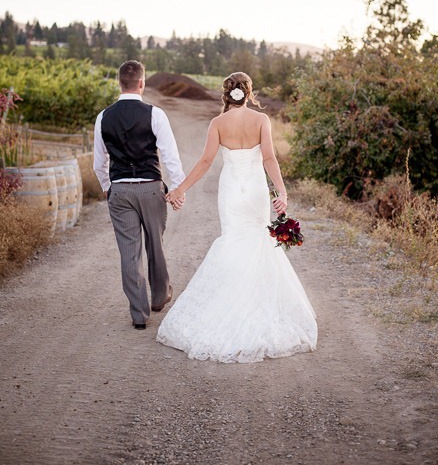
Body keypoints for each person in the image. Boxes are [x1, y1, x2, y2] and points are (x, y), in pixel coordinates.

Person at [156, 72, 317, 363]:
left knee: (232, 241)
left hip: (231, 191)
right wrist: (281, 192)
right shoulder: (261, 121)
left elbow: (206, 161)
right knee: (257, 240)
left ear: (226, 93)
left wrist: (180, 188)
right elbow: (269, 158)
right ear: (248, 92)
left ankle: (229, 305)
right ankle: (255, 304)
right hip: (255, 191)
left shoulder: (218, 123)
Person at [93, 60, 185, 330]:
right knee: (155, 244)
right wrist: (178, 187)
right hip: (150, 188)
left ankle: (139, 314)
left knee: (129, 253)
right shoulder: (155, 114)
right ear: (142, 84)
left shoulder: (103, 116)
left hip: (120, 189)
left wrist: (108, 188)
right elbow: (170, 155)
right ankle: (159, 297)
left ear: (119, 83)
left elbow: (99, 162)